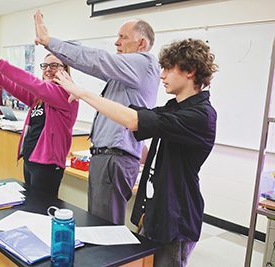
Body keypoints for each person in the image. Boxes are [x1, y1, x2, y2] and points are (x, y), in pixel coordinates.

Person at [54, 38, 218, 267]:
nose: (162, 75)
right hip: (157, 211)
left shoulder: (201, 116)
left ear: (190, 71)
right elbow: (136, 115)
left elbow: (133, 120)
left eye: (169, 69)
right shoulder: (175, 107)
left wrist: (82, 93)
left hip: (176, 218)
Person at [34, 11, 160, 224]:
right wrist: (51, 44)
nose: (117, 42)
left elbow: (98, 59)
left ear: (142, 43)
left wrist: (49, 41)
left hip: (115, 157)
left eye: (123, 37)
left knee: (105, 228)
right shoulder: (123, 73)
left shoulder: (143, 63)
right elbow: (86, 57)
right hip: (107, 157)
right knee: (99, 223)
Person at [0, 44, 78, 197]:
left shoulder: (66, 94)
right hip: (31, 159)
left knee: (42, 210)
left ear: (65, 70)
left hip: (47, 165)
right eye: (45, 65)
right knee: (31, 207)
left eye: (54, 65)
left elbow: (29, 81)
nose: (48, 69)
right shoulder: (40, 98)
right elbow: (14, 86)